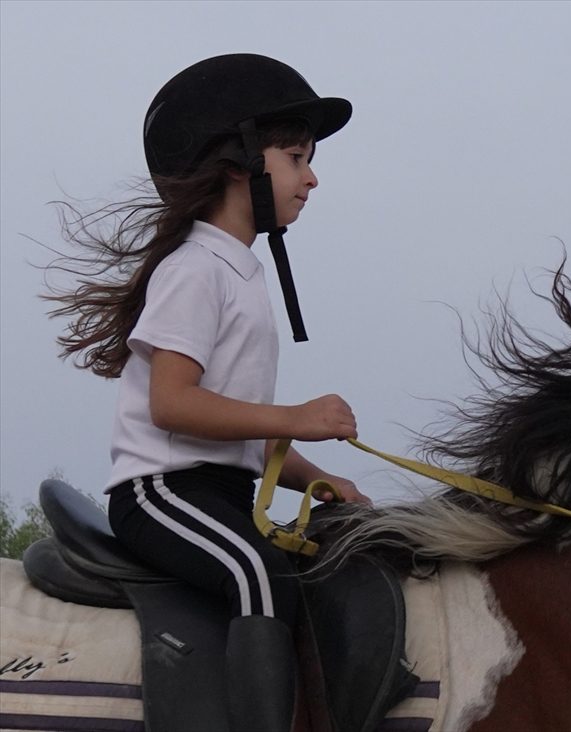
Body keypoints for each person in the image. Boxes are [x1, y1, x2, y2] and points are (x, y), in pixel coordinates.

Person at [43, 53, 370, 732]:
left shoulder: (241, 273)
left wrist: (320, 478)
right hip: (161, 492)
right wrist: (298, 416)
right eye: (295, 158)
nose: (311, 178)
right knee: (259, 575)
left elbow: (244, 428)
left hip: (220, 490)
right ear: (239, 163)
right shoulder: (195, 269)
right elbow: (173, 405)